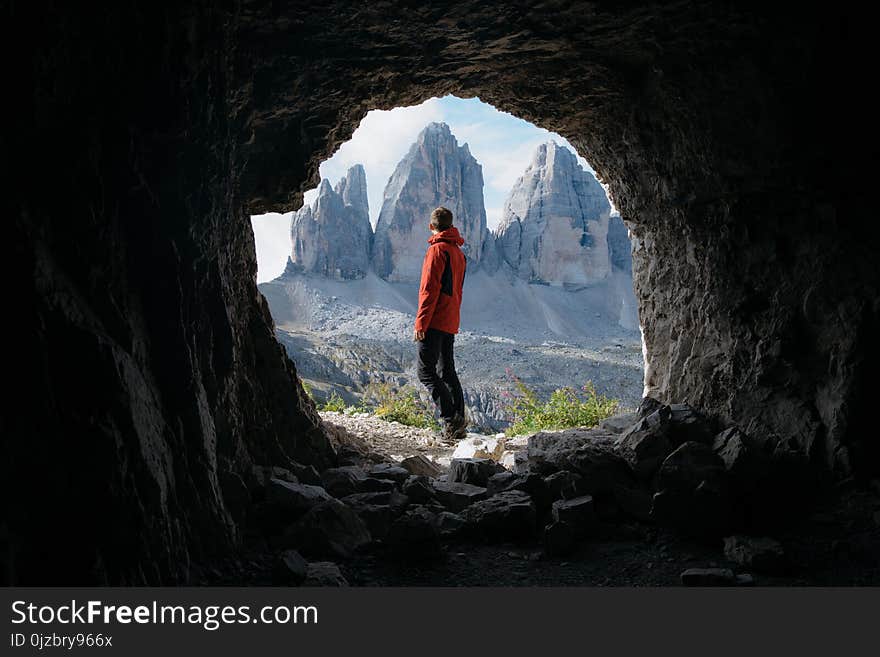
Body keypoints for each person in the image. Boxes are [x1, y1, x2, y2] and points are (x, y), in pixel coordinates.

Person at [414, 206, 468, 442]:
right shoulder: (458, 252)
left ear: (431, 226)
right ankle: (459, 424)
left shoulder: (437, 251)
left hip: (435, 319)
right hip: (451, 318)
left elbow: (429, 290)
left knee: (425, 372)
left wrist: (421, 323)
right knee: (447, 372)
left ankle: (451, 421)